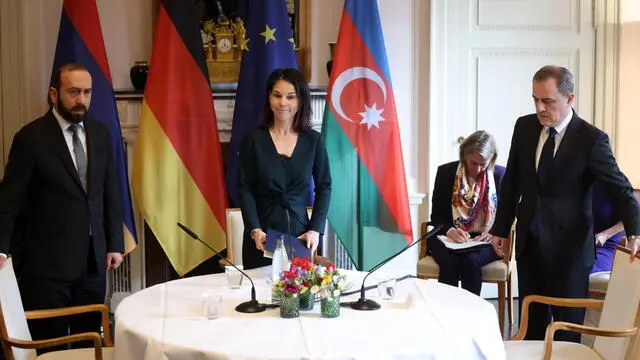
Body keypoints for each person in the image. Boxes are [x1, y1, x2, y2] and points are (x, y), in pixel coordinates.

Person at [489, 65, 640, 343]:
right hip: (529, 245)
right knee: (532, 328)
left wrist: (634, 231)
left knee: (566, 332)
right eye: (535, 99)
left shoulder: (592, 139)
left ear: (569, 98)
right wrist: (501, 227)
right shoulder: (524, 127)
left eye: (548, 100)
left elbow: (620, 187)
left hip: (569, 252)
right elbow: (512, 181)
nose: (540, 107)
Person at [0, 63, 124, 351]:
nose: (81, 99)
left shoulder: (101, 133)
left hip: (92, 266)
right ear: (54, 94)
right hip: (46, 269)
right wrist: (2, 247)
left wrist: (114, 243)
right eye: (73, 92)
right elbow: (9, 199)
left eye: (87, 92)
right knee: (50, 348)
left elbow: (110, 191)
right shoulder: (30, 138)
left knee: (86, 345)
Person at [237, 68, 332, 269]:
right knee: (262, 297)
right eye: (277, 95)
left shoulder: (313, 141)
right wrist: (254, 229)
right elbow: (244, 187)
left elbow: (324, 187)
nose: (283, 103)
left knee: (297, 295)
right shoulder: (252, 139)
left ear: (300, 101)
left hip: (300, 236)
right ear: (269, 98)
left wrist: (315, 229)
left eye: (290, 97)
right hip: (261, 237)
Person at [428, 131, 504, 295]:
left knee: (470, 261)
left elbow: (507, 215)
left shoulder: (500, 176)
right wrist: (450, 230)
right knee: (450, 262)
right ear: (463, 155)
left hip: (485, 240)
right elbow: (436, 216)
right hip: (448, 236)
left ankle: (471, 314)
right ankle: (446, 312)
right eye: (473, 162)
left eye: (483, 163)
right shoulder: (446, 173)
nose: (477, 169)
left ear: (492, 159)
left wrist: (493, 233)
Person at [591, 182, 626, 274]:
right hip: (579, 245)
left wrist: (605, 235)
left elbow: (631, 217)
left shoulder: (616, 183)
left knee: (583, 269)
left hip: (605, 247)